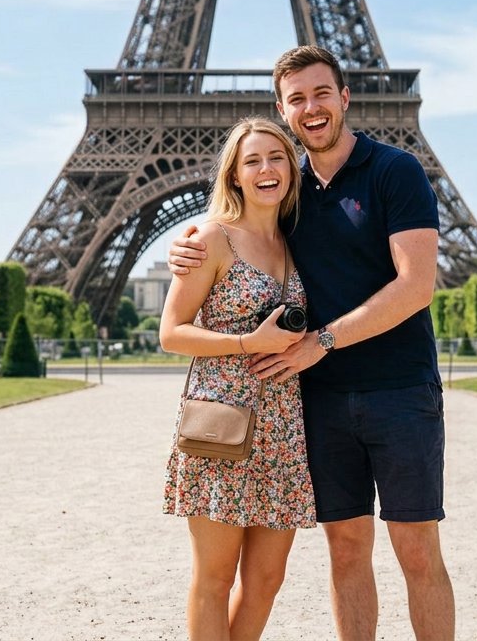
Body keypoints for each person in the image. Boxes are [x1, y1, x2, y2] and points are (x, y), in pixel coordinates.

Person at [169, 45, 455, 640]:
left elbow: (417, 285)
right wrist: (187, 242)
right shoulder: (290, 194)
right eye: (297, 98)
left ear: (345, 97)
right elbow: (232, 229)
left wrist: (320, 342)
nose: (312, 107)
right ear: (283, 107)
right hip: (312, 403)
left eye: (322, 93)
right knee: (345, 551)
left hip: (397, 391)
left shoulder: (392, 172)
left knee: (417, 552)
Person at [159, 116, 315, 641]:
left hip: (283, 430)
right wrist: (250, 343)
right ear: (234, 175)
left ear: (292, 171)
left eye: (277, 157)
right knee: (215, 577)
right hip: (222, 427)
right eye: (253, 160)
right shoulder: (211, 238)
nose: (266, 168)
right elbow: (172, 332)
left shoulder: (298, 244)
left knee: (268, 579)